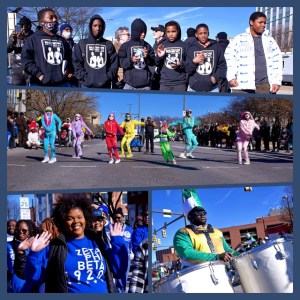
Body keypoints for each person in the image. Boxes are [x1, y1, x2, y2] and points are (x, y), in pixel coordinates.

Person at [24, 196, 128, 293]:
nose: (76, 221)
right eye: (70, 218)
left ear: (86, 218)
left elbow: (118, 271)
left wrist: (118, 241)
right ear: (63, 221)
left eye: (79, 217)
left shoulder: (97, 241)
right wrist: (35, 254)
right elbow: (33, 278)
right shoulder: (55, 246)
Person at [174, 189, 239, 266]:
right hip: (199, 274)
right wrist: (216, 257)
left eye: (204, 212)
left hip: (224, 271)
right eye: (198, 213)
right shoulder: (182, 233)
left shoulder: (217, 231)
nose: (202, 215)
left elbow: (227, 249)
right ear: (190, 216)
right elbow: (186, 253)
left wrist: (240, 253)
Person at [224, 11, 282, 94]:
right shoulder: (239, 39)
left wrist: (277, 81)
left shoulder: (270, 40)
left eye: (265, 23)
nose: (263, 25)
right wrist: (231, 77)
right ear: (251, 22)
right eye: (260, 22)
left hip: (265, 85)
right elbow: (229, 58)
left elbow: (277, 60)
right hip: (242, 86)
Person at [21, 8, 73, 86]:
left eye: (55, 17)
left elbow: (69, 59)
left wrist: (68, 71)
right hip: (39, 83)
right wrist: (39, 75)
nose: (55, 20)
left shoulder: (62, 40)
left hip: (62, 83)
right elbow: (26, 61)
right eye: (51, 17)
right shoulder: (32, 39)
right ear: (42, 22)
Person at [73, 15, 118, 88]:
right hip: (86, 85)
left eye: (100, 26)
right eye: (95, 25)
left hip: (105, 85)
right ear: (91, 27)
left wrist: (107, 77)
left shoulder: (108, 44)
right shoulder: (82, 43)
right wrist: (85, 77)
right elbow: (76, 63)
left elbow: (114, 65)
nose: (98, 28)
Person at [186, 23, 226, 92]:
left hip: (212, 89)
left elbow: (222, 66)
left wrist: (215, 77)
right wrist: (194, 62)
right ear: (196, 34)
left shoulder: (216, 47)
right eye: (200, 33)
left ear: (208, 33)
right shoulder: (191, 48)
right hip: (193, 88)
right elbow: (187, 69)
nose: (203, 35)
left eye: (205, 33)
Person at [118, 18, 155, 90]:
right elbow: (120, 62)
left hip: (146, 86)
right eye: (141, 32)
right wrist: (131, 60)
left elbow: (153, 62)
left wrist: (147, 57)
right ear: (135, 32)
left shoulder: (147, 46)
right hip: (129, 85)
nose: (143, 34)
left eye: (144, 32)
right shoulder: (125, 46)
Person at [156, 21, 188, 91]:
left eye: (173, 31)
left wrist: (180, 64)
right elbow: (157, 63)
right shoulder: (162, 45)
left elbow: (188, 64)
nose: (171, 34)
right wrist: (159, 56)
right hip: (164, 83)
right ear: (165, 32)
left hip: (180, 83)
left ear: (178, 31)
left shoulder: (184, 45)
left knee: (179, 102)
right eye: (168, 32)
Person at [7, 220, 37, 292]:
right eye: (17, 230)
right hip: (15, 284)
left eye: (24, 230)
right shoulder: (7, 245)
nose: (20, 232)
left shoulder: (36, 246)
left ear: (30, 230)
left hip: (32, 284)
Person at [7, 16, 34, 85]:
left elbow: (36, 49)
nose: (22, 28)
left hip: (30, 67)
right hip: (17, 67)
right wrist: (13, 41)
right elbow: (7, 50)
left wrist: (24, 38)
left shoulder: (34, 36)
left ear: (29, 26)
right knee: (16, 84)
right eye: (20, 26)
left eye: (23, 26)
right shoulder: (15, 35)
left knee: (30, 85)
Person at [113, 209, 134, 293]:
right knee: (114, 279)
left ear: (122, 217)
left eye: (119, 217)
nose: (117, 220)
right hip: (114, 256)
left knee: (123, 279)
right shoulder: (110, 228)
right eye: (115, 218)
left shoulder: (129, 230)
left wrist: (131, 252)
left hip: (125, 257)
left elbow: (132, 243)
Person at [150, 24, 166, 90]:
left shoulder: (165, 44)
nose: (153, 32)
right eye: (153, 30)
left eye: (156, 31)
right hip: (155, 76)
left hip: (163, 77)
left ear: (162, 33)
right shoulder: (155, 44)